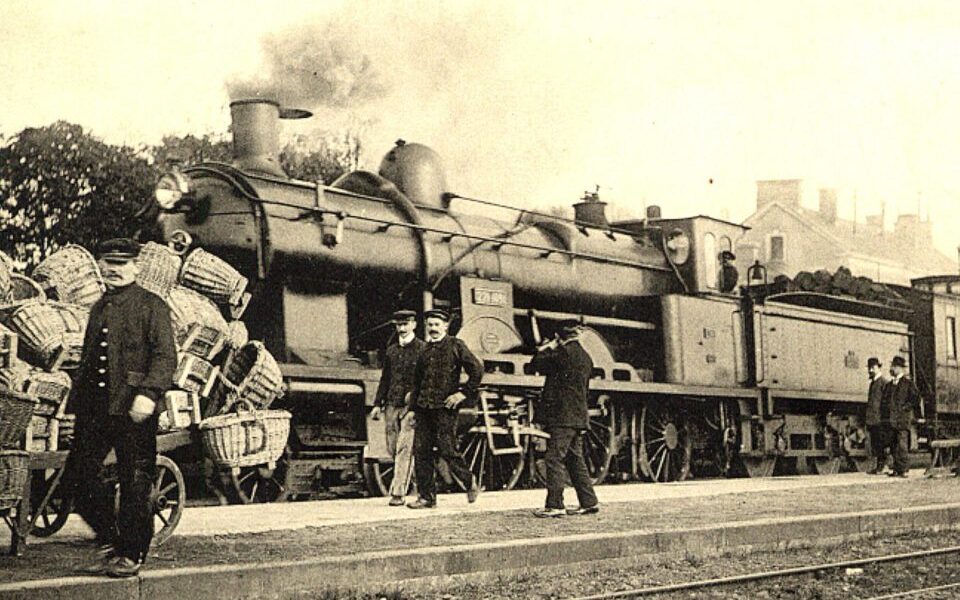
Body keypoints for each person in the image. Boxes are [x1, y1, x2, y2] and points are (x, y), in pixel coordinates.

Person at [65, 238, 177, 577]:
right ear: (100, 265)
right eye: (108, 262)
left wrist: (149, 393)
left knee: (135, 483)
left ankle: (132, 554)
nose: (113, 269)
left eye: (122, 263)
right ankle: (113, 539)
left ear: (136, 267)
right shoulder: (99, 306)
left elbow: (165, 357)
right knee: (77, 478)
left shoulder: (151, 305)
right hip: (95, 409)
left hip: (134, 409)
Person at [407, 308, 483, 509]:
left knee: (447, 449)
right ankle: (426, 498)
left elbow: (477, 369)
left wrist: (463, 393)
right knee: (421, 451)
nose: (432, 328)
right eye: (430, 325)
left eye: (436, 325)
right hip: (424, 408)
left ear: (445, 326)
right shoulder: (423, 350)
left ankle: (469, 482)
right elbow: (417, 382)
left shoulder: (455, 345)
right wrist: (413, 409)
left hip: (445, 408)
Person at [530, 320, 599, 518]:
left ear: (559, 337)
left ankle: (555, 505)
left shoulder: (561, 353)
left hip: (562, 416)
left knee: (553, 459)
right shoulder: (585, 357)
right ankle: (589, 502)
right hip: (577, 415)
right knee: (575, 459)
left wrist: (545, 347)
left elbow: (535, 364)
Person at [370, 310, 425, 506]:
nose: (402, 329)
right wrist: (377, 404)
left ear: (414, 325)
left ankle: (398, 493)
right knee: (392, 448)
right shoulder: (392, 351)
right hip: (391, 405)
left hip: (411, 407)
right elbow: (385, 379)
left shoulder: (423, 349)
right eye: (399, 325)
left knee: (404, 447)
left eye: (405, 324)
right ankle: (417, 481)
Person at [884, 355, 920, 478]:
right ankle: (896, 468)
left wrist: (905, 408)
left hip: (902, 419)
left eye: (894, 366)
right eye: (892, 366)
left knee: (902, 445)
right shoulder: (889, 385)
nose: (891, 368)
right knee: (893, 444)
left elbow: (916, 398)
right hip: (891, 419)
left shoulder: (908, 384)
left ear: (900, 368)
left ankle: (903, 469)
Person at [864, 357, 890, 474]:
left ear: (879, 368)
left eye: (873, 367)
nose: (870, 370)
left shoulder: (883, 383)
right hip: (873, 419)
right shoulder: (873, 383)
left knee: (881, 443)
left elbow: (886, 402)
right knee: (876, 443)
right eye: (869, 368)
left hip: (879, 419)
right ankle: (879, 466)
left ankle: (884, 466)